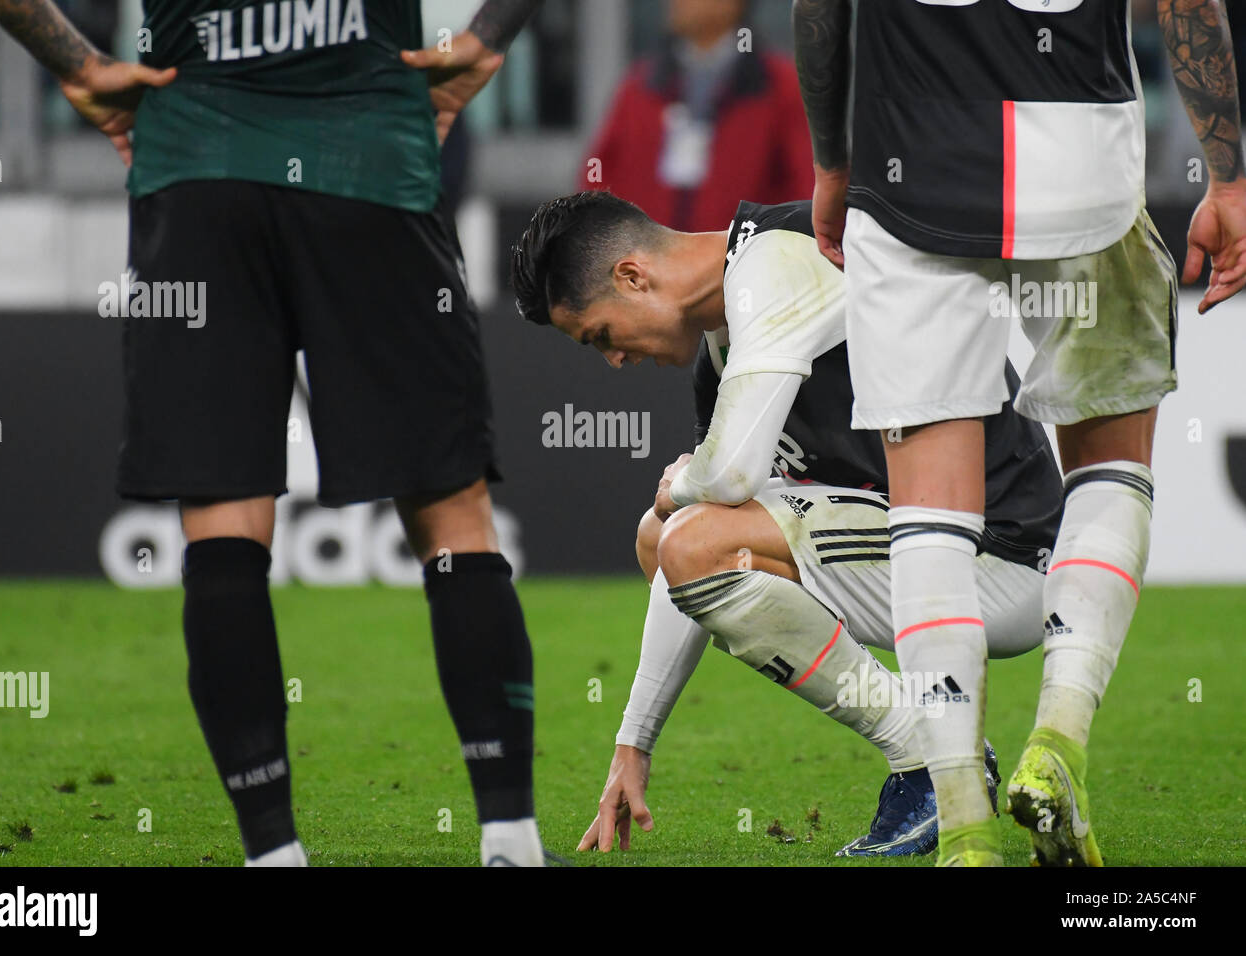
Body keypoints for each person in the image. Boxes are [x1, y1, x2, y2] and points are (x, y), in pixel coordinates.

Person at [0, 0, 547, 867]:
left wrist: (77, 63)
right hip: (369, 158)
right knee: (449, 510)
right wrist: (486, 41)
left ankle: (273, 855)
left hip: (199, 166)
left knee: (223, 521)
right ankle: (509, 841)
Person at [793, 0, 1246, 865]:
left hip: (910, 163)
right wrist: (1227, 177)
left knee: (929, 515)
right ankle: (1059, 740)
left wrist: (830, 159)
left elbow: (819, 10)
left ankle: (964, 822)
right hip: (1083, 168)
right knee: (1111, 464)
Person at [510, 190, 1063, 856]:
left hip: (1000, 554)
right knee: (665, 540)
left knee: (687, 531)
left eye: (600, 335)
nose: (615, 360)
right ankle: (934, 748)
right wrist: (634, 745)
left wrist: (684, 480)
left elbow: (727, 481)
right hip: (928, 551)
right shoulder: (723, 351)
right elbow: (693, 542)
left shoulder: (780, 257)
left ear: (633, 275)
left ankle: (934, 761)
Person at [579, 0, 813, 232]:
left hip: (738, 260)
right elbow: (600, 171)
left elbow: (804, 188)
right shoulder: (640, 85)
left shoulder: (778, 87)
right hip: (648, 258)